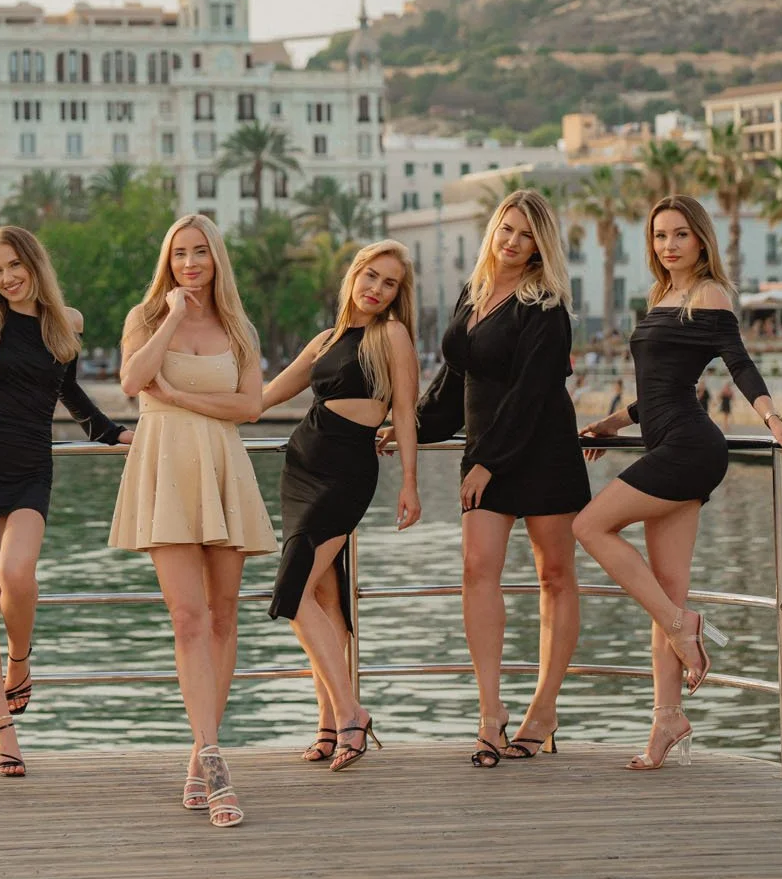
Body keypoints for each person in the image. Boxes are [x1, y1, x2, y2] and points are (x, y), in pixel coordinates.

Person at [572, 196, 782, 772]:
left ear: (701, 239)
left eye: (680, 234)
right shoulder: (662, 297)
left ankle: (686, 628)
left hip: (691, 449)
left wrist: (773, 420)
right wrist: (611, 422)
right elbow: (659, 388)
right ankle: (666, 723)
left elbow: (739, 363)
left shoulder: (710, 294)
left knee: (589, 525)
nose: (669, 245)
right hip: (666, 440)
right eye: (659, 236)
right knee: (666, 592)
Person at [0, 226, 132, 777]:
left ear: (34, 264)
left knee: (16, 574)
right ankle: (2, 731)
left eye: (14, 265)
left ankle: (18, 663)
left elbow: (66, 390)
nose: (7, 277)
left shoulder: (62, 323)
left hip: (30, 465)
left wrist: (111, 432)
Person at [396, 190, 586, 767]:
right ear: (493, 230)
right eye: (507, 229)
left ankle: (544, 711)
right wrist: (410, 430)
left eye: (526, 235)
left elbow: (533, 395)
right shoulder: (472, 292)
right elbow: (454, 383)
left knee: (554, 575)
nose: (512, 242)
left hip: (539, 450)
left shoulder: (547, 304)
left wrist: (488, 462)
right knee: (477, 569)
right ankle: (490, 713)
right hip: (486, 453)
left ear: (540, 246)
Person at [110, 214, 276, 828]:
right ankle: (213, 758)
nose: (190, 264)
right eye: (179, 253)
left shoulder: (238, 325)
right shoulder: (146, 317)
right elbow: (131, 381)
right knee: (187, 617)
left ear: (216, 258)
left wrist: (178, 397)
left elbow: (251, 406)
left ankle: (198, 750)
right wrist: (174, 316)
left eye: (200, 253)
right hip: (165, 468)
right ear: (167, 259)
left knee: (224, 615)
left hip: (223, 467)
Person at [259, 240, 422, 773]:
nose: (376, 289)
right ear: (353, 277)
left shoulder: (391, 335)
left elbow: (405, 412)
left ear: (399, 294)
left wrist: (410, 485)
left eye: (389, 283)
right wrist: (180, 391)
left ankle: (352, 714)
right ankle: (329, 723)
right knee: (324, 598)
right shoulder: (325, 339)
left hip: (344, 475)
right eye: (370, 276)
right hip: (300, 468)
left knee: (293, 591)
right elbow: (264, 398)